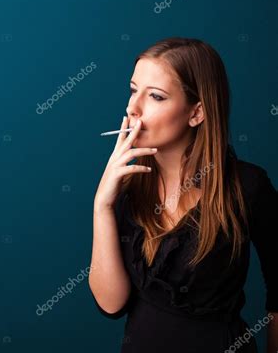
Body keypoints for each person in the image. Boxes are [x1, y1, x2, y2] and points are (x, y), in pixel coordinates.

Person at [88, 37, 277, 352]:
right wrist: (102, 207)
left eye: (156, 96)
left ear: (196, 113)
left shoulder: (248, 186)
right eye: (134, 90)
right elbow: (111, 304)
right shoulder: (129, 187)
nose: (131, 108)